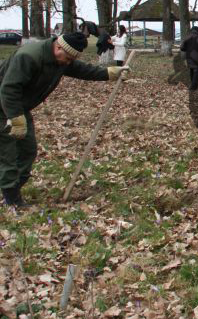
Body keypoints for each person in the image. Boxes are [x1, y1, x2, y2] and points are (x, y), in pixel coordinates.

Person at [0, 33, 130, 207]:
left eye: (71, 60)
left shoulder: (61, 59)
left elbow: (82, 70)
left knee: (27, 151)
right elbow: (9, 89)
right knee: (8, 154)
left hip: (19, 108)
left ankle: (12, 189)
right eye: (68, 58)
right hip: (5, 106)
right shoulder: (28, 57)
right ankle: (12, 200)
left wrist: (108, 73)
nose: (68, 62)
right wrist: (15, 119)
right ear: (58, 47)